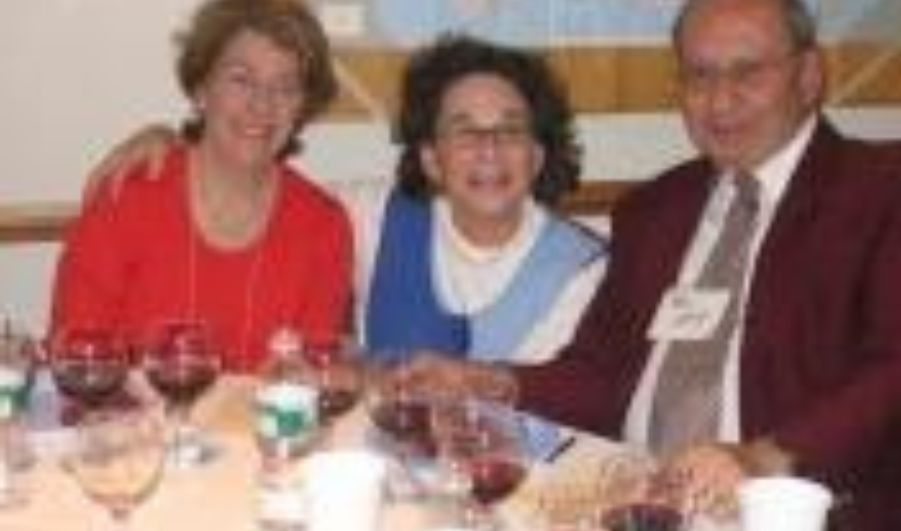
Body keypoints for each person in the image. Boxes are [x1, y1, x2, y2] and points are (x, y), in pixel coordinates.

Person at [405, 0, 901, 531]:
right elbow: (602, 370)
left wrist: (761, 458)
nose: (720, 100)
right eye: (699, 76)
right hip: (644, 504)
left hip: (806, 511)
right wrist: (495, 382)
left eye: (747, 72)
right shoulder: (655, 210)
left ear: (809, 75)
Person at [84, 33, 606, 364]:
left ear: (538, 155)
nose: (489, 150)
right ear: (429, 158)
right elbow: (253, 181)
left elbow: (568, 408)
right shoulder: (373, 216)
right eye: (464, 130)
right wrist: (175, 143)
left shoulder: (583, 268)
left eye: (510, 131)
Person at [51, 0, 354, 371]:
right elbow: (75, 359)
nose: (262, 104)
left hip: (259, 431)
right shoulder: (127, 196)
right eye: (241, 79)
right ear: (200, 89)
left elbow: (308, 382)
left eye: (285, 87)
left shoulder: (323, 226)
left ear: (302, 106)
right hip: (126, 429)